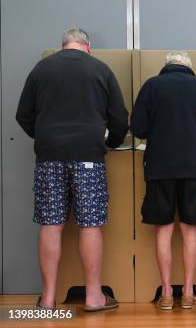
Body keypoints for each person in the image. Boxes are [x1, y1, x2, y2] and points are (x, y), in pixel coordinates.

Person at [16, 27, 128, 311]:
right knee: (89, 223)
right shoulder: (100, 69)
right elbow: (119, 119)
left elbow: (23, 115)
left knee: (51, 224)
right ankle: (93, 296)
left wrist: (45, 137)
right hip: (89, 156)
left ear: (63, 45)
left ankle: (49, 299)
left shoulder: (42, 69)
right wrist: (109, 143)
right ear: (88, 47)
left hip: (49, 157)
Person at [131, 51, 196, 310]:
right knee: (190, 228)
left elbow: (137, 128)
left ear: (166, 66)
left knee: (164, 228)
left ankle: (167, 293)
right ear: (188, 67)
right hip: (194, 166)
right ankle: (190, 292)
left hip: (160, 166)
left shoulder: (151, 85)